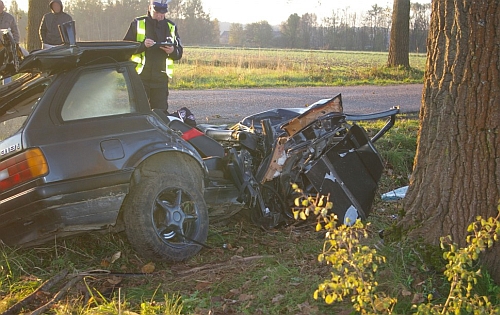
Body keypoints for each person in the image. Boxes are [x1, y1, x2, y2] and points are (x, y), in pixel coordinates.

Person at [124, 0, 183, 112]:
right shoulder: (137, 23)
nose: (160, 15)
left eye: (163, 13)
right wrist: (142, 46)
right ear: (150, 8)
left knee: (160, 114)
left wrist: (171, 51)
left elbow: (179, 53)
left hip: (161, 79)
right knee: (139, 112)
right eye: (157, 12)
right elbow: (125, 49)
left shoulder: (171, 27)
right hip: (140, 77)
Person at [0, 0, 20, 84]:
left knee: (6, 70)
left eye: (1, 6)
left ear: (3, 7)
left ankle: (7, 89)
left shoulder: (9, 18)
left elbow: (15, 32)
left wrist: (15, 44)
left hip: (6, 49)